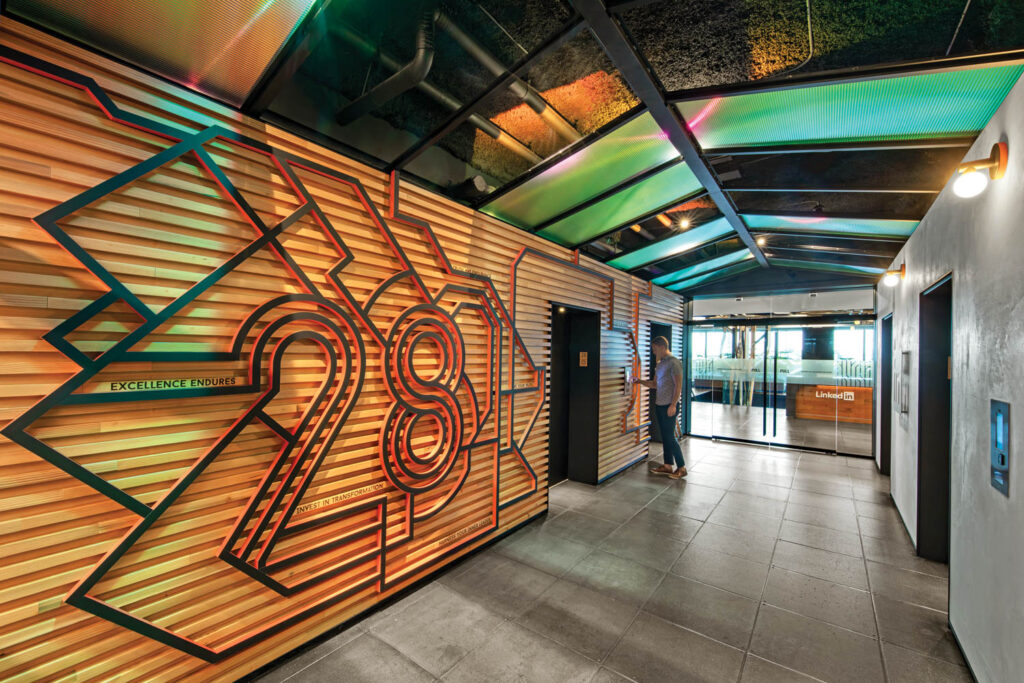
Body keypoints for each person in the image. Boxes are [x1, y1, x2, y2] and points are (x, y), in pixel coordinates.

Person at [634, 336, 686, 478]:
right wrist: (639, 381)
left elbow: (678, 386)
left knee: (669, 436)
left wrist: (673, 404)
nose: (653, 351)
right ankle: (668, 465)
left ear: (662, 347)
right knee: (665, 436)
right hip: (660, 405)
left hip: (669, 405)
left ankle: (681, 467)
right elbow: (654, 384)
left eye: (654, 348)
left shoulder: (674, 363)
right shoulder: (660, 364)